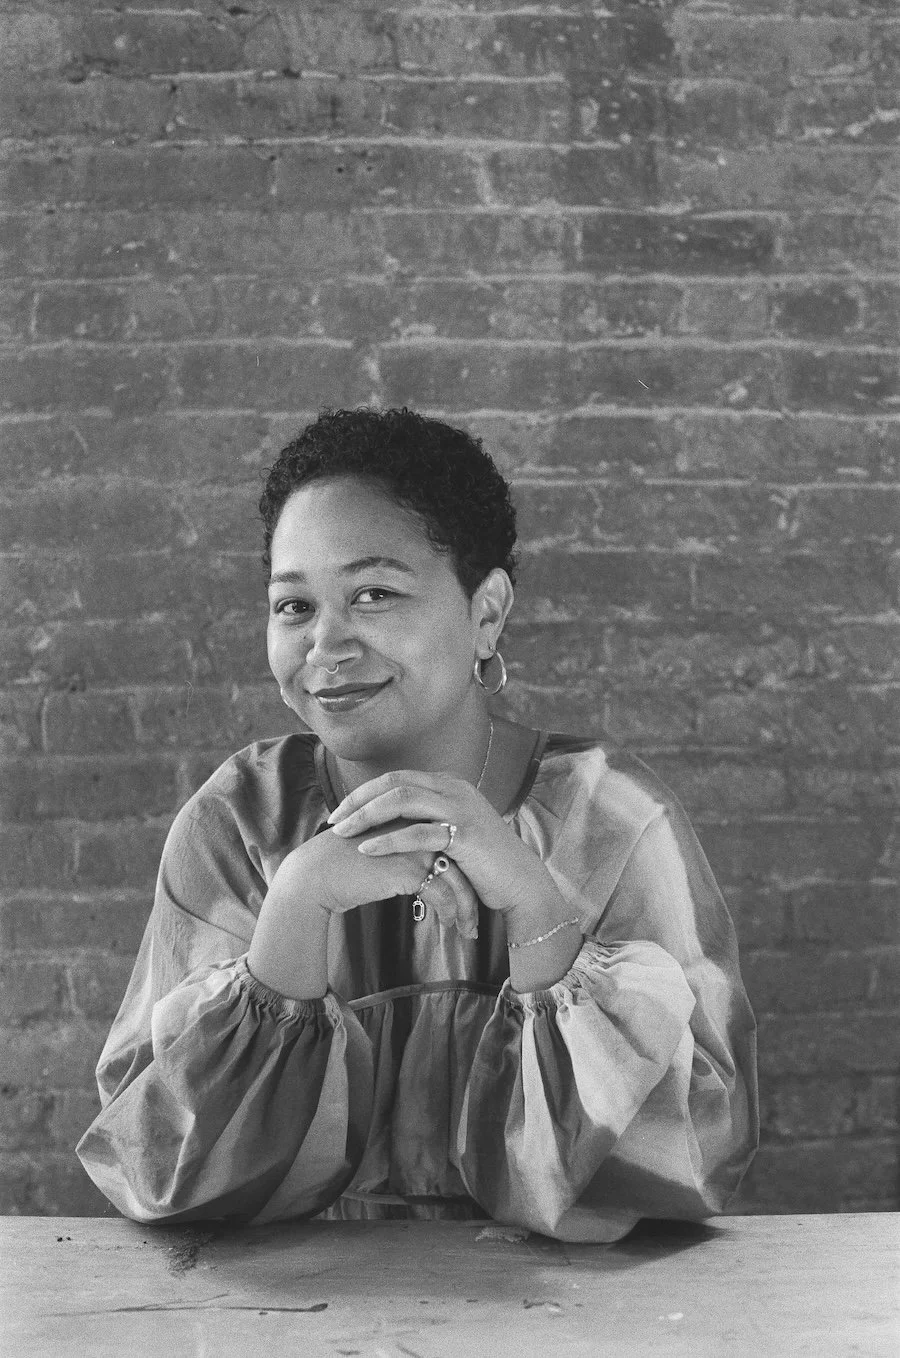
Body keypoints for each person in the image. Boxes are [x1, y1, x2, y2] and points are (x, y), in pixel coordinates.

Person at [77, 407, 758, 1241]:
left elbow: (696, 1151)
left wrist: (540, 918)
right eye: (293, 607)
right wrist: (293, 917)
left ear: (486, 614)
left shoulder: (612, 820)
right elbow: (160, 1168)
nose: (326, 643)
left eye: (374, 594)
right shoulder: (236, 824)